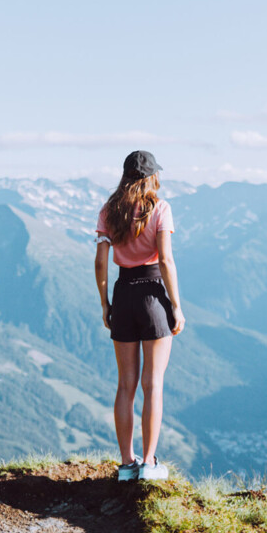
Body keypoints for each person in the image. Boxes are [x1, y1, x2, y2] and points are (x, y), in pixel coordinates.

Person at [94, 150, 185, 481]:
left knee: (125, 385)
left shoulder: (110, 211)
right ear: (151, 177)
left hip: (123, 293)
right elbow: (165, 261)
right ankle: (148, 463)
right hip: (152, 295)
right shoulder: (159, 209)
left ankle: (127, 464)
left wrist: (105, 303)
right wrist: (175, 305)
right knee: (153, 383)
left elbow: (101, 260)